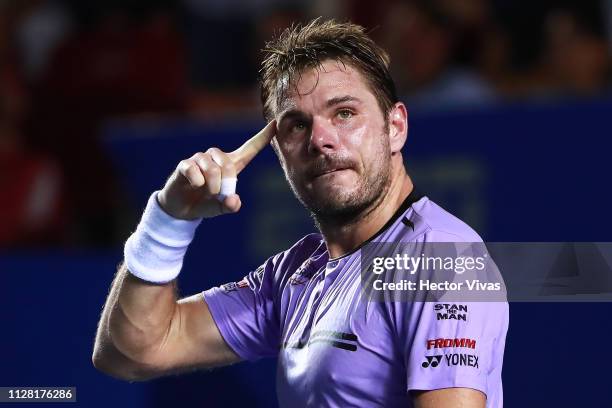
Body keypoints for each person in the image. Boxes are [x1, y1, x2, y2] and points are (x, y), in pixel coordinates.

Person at [92, 18, 508, 408]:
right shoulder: (297, 273)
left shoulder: (443, 259)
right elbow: (132, 351)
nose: (321, 140)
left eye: (344, 113)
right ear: (279, 152)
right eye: (296, 125)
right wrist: (169, 218)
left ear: (395, 126)